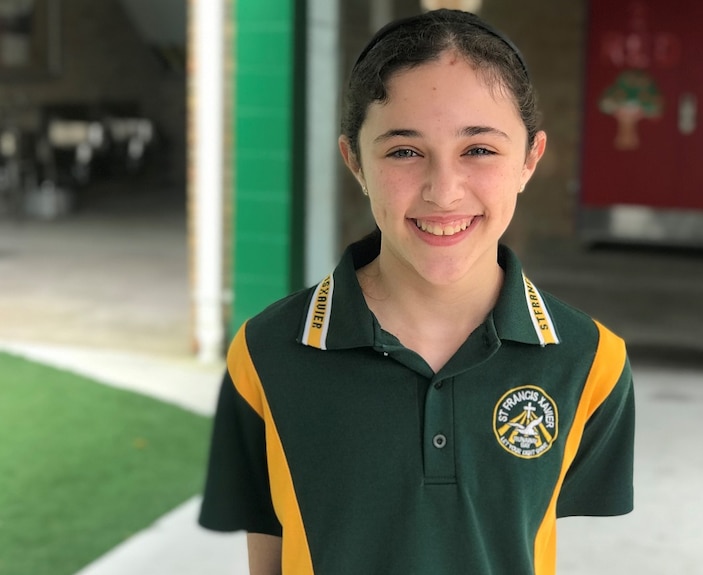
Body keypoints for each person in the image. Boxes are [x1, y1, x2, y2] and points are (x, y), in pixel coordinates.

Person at [198, 9, 635, 575]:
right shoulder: (265, 353)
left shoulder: (591, 361)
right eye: (404, 151)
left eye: (479, 149)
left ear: (530, 159)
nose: (444, 190)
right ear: (355, 161)